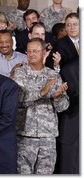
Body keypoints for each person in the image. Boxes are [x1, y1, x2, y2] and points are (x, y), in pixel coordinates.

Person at [11, 38, 69, 174]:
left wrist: (58, 97)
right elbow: (17, 100)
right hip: (24, 135)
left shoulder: (53, 75)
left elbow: (63, 107)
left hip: (47, 136)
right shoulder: (19, 74)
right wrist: (42, 93)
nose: (31, 54)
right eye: (29, 51)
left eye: (35, 51)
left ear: (44, 52)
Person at [54, 12, 79, 174]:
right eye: (68, 24)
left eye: (75, 24)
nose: (71, 28)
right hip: (71, 98)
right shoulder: (60, 45)